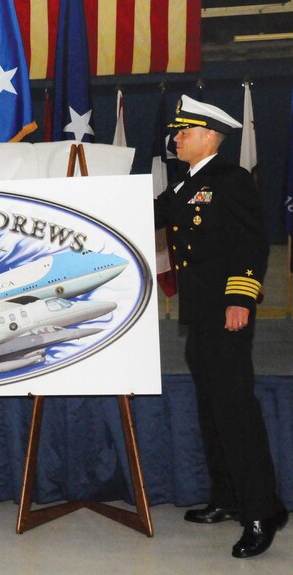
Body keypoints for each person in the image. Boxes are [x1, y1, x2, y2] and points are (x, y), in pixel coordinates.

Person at [155, 95, 287, 558]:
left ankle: (261, 512)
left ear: (210, 136)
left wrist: (239, 298)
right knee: (212, 410)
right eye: (177, 132)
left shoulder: (231, 180)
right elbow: (148, 214)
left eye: (184, 132)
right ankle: (228, 498)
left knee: (235, 412)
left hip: (225, 312)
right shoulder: (184, 184)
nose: (176, 139)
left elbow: (251, 244)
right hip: (199, 314)